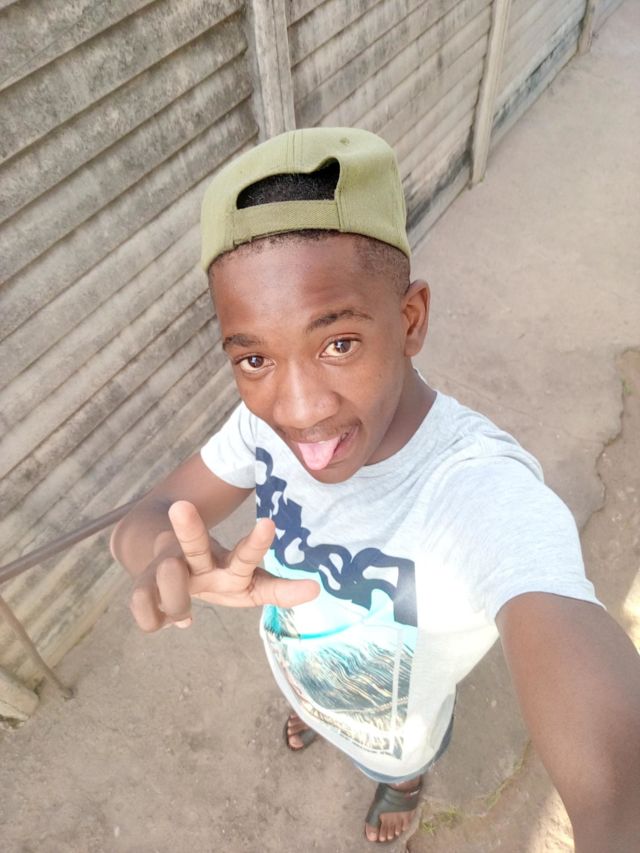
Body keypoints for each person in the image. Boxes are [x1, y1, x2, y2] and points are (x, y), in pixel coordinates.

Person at [110, 127, 640, 848]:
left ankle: (403, 786)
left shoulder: (479, 489)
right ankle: (314, 713)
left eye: (338, 343)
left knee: (400, 760)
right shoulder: (258, 427)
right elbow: (144, 515)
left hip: (398, 728)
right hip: (299, 667)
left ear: (410, 320)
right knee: (312, 701)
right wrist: (160, 550)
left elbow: (614, 769)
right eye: (256, 359)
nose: (299, 409)